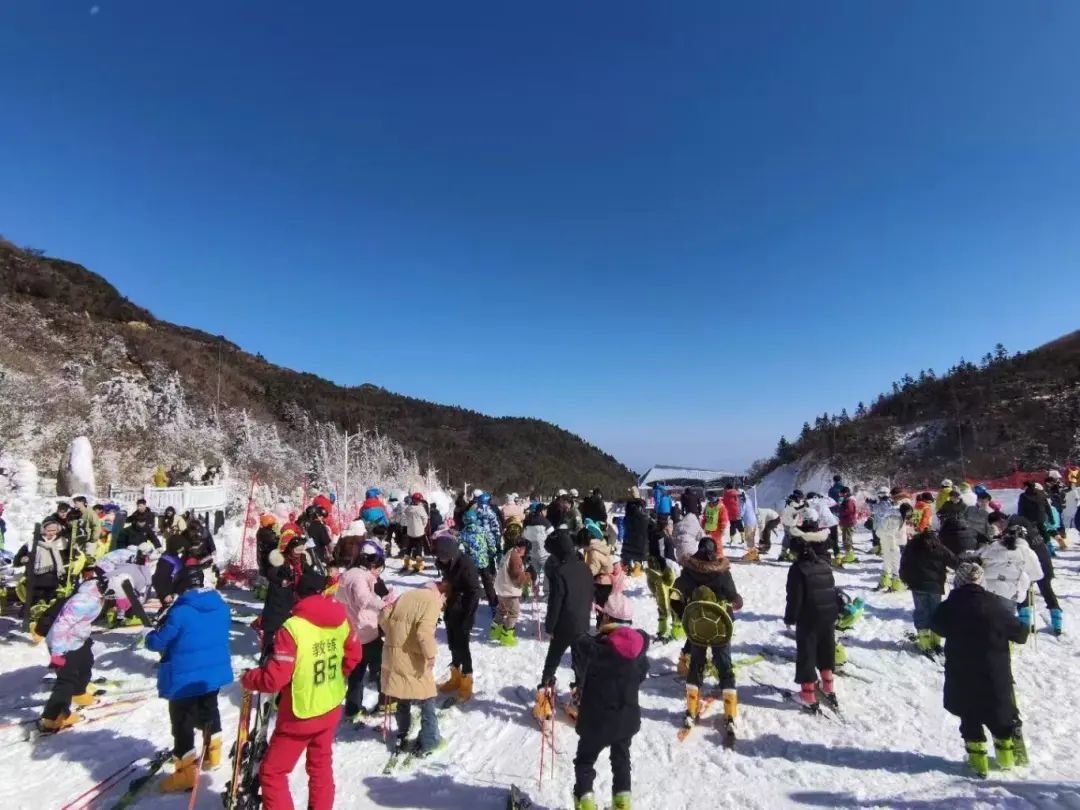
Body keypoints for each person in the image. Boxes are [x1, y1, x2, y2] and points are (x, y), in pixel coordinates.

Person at [241, 568, 362, 810]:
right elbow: (354, 655)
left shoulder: (293, 627)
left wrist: (250, 678)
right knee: (320, 766)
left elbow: (275, 679)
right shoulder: (341, 619)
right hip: (330, 705)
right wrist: (336, 675)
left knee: (273, 772)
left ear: (297, 595)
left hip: (301, 713)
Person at [931, 561, 1029, 777]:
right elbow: (1021, 635)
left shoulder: (950, 605)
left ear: (958, 581)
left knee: (969, 714)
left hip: (962, 670)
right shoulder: (995, 604)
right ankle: (1006, 758)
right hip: (995, 670)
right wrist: (1024, 621)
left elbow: (937, 625)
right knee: (1000, 714)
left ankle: (978, 762)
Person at [145, 563, 233, 791]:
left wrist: (150, 634)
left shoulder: (180, 611)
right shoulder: (220, 606)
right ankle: (213, 752)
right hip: (211, 673)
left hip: (184, 676)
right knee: (209, 709)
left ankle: (185, 772)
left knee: (182, 722)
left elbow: (158, 642)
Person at [569, 592, 648, 810]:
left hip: (597, 720)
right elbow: (642, 674)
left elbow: (579, 654)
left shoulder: (595, 648)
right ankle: (622, 805)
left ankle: (585, 804)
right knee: (621, 760)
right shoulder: (639, 647)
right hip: (626, 718)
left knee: (585, 761)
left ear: (607, 618)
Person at [671, 536, 742, 733]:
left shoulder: (688, 572)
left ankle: (691, 710)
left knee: (696, 665)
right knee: (725, 665)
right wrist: (736, 601)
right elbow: (734, 597)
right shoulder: (722, 572)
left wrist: (686, 616)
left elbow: (674, 596)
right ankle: (730, 713)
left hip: (697, 628)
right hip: (720, 627)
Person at [34, 565, 107, 731]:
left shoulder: (98, 594)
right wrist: (57, 655)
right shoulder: (81, 601)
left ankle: (79, 693)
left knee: (85, 662)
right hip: (62, 643)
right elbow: (60, 627)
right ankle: (52, 718)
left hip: (78, 638)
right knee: (66, 679)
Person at [379, 581, 444, 758]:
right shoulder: (432, 601)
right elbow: (424, 633)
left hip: (393, 653)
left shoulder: (406, 595)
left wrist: (395, 637)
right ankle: (430, 740)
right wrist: (431, 655)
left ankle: (403, 732)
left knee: (402, 694)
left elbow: (384, 617)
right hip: (413, 658)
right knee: (427, 697)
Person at [534, 526, 593, 721]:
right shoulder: (585, 567)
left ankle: (545, 698)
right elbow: (589, 594)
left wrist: (550, 626)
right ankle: (580, 697)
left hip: (564, 625)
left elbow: (556, 603)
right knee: (579, 661)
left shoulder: (560, 572)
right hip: (582, 623)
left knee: (552, 660)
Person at [783, 515, 839, 711]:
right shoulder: (824, 564)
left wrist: (790, 617)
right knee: (826, 648)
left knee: (806, 653)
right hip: (829, 614)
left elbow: (795, 597)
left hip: (809, 616)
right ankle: (828, 685)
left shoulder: (798, 569)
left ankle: (807, 694)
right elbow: (831, 589)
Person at [336, 539, 395, 719]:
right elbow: (364, 599)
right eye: (379, 568)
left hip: (351, 631)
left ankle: (352, 709)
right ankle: (387, 702)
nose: (378, 573)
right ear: (372, 564)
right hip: (365, 631)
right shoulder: (360, 578)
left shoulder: (347, 574)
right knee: (382, 667)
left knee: (356, 673)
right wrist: (384, 606)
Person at [993, 512, 1062, 635]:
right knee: (1047, 589)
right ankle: (1057, 622)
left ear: (1001, 520)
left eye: (998, 526)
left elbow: (1012, 550)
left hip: (1028, 562)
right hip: (1044, 557)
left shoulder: (1012, 529)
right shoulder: (1023, 521)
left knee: (1022, 590)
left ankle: (1024, 624)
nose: (999, 529)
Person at [433, 531, 481, 704]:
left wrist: (468, 617)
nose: (442, 560)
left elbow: (475, 592)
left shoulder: (466, 564)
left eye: (445, 558)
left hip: (464, 610)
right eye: (440, 558)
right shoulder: (446, 563)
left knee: (462, 645)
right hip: (451, 608)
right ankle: (455, 676)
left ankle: (467, 680)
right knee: (453, 643)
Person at [899, 530, 957, 654]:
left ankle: (924, 641)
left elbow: (904, 564)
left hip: (917, 585)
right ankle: (936, 641)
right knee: (936, 612)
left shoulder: (912, 547)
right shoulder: (939, 548)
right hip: (935, 586)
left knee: (922, 611)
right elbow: (954, 562)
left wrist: (904, 579)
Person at [979, 524, 1043, 617]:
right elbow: (1037, 574)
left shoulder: (991, 548)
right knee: (1006, 618)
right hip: (1010, 593)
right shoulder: (1027, 551)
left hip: (987, 590)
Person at [492, 531, 530, 646]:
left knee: (502, 610)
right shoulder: (515, 557)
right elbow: (516, 576)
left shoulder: (510, 552)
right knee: (513, 612)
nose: (525, 553)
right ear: (520, 548)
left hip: (501, 587)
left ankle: (495, 632)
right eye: (525, 550)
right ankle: (506, 636)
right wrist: (527, 577)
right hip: (509, 591)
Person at [459, 509, 499, 611]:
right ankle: (494, 604)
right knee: (488, 583)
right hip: (483, 561)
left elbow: (460, 547)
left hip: (471, 563)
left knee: (472, 584)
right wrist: (492, 552)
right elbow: (491, 543)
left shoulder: (463, 533)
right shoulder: (483, 530)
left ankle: (471, 605)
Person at [873, 489, 908, 591]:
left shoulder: (892, 509)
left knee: (887, 559)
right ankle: (896, 583)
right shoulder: (897, 510)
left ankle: (885, 581)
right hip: (894, 539)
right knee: (895, 561)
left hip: (888, 537)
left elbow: (881, 528)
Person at [583, 519, 615, 627]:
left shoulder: (593, 552)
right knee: (604, 604)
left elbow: (594, 568)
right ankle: (604, 623)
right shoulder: (601, 546)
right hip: (607, 580)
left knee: (600, 605)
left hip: (602, 581)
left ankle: (601, 624)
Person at [523, 503, 554, 592]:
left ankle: (533, 590)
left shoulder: (528, 521)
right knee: (547, 573)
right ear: (541, 511)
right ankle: (546, 591)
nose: (546, 513)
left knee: (534, 573)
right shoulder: (545, 522)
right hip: (544, 552)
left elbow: (524, 535)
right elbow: (552, 534)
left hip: (532, 552)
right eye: (545, 511)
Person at [620, 488, 649, 577]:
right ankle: (637, 568)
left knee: (628, 550)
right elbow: (645, 520)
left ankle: (626, 567)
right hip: (640, 534)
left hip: (630, 533)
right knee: (638, 551)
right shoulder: (641, 506)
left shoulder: (630, 506)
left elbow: (627, 519)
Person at [403, 493, 430, 572]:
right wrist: (423, 527)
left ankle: (406, 563)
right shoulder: (420, 509)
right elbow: (425, 519)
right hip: (419, 532)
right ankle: (419, 564)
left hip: (410, 531)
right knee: (419, 548)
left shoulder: (408, 508)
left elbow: (405, 518)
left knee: (409, 547)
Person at [836, 487, 858, 564]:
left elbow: (849, 510)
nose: (840, 495)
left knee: (846, 539)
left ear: (845, 493)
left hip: (848, 522)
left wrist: (840, 510)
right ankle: (850, 554)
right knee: (847, 538)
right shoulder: (848, 499)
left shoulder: (849, 500)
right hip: (847, 521)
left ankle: (850, 556)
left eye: (841, 493)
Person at [256, 514, 280, 580]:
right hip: (266, 558)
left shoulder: (264, 531)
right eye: (273, 524)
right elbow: (276, 542)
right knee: (269, 574)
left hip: (266, 557)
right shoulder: (265, 533)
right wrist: (279, 535)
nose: (274, 525)